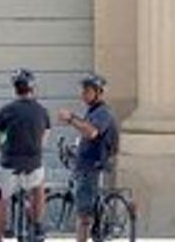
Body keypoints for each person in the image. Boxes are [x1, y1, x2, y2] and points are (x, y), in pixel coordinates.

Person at [55, 73, 119, 242]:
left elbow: (91, 132)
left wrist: (71, 118)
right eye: (83, 91)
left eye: (88, 91)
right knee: (87, 210)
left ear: (99, 92)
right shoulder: (92, 112)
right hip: (87, 164)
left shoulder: (102, 112)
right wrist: (76, 148)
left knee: (84, 216)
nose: (83, 94)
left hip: (92, 166)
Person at [0, 68, 49, 242]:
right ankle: (37, 224)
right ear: (32, 88)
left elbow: (0, 139)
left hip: (9, 164)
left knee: (1, 200)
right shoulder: (42, 111)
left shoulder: (6, 110)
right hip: (33, 164)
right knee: (39, 187)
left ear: (15, 88)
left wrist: (3, 149)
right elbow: (44, 140)